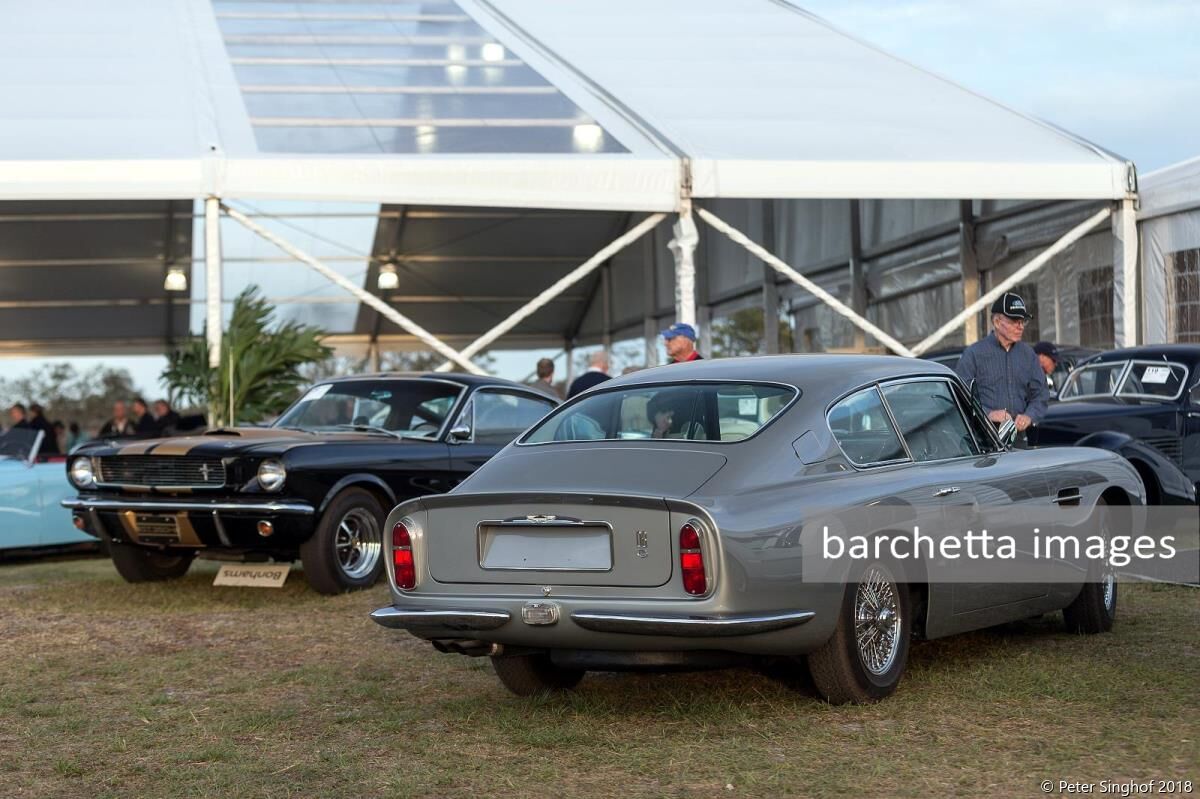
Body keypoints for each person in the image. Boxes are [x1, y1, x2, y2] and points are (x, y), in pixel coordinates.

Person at [955, 292, 1049, 447]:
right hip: (983, 441)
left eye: (1023, 321)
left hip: (1019, 441)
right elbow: (960, 396)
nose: (1020, 327)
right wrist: (989, 414)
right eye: (1015, 321)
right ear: (997, 322)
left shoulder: (1028, 355)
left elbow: (1041, 394)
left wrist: (1029, 416)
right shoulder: (973, 354)